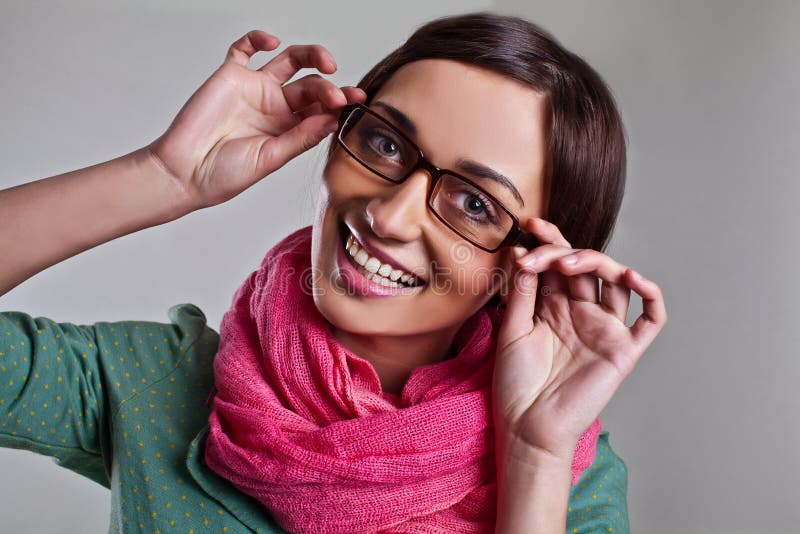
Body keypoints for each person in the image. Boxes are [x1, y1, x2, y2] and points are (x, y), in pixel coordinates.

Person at [0, 11, 666, 534]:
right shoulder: (152, 385)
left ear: (531, 265)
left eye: (475, 203)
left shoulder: (569, 475)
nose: (391, 216)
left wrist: (532, 459)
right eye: (384, 142)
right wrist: (163, 177)